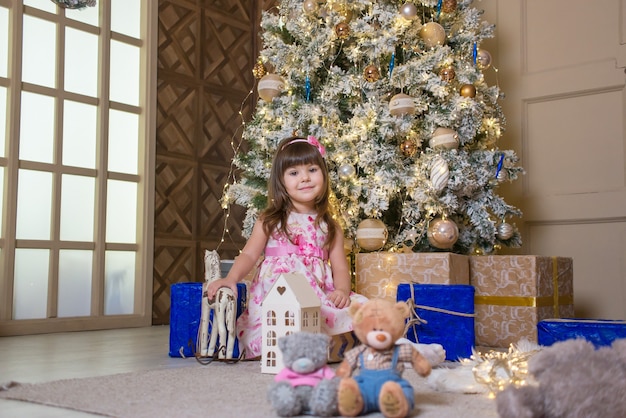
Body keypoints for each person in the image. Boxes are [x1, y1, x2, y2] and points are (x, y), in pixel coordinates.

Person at [206, 135, 368, 359]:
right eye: (294, 173)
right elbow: (250, 254)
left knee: (362, 307)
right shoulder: (271, 220)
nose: (305, 178)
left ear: (323, 174)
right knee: (285, 321)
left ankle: (335, 344)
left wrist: (341, 290)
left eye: (312, 170)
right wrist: (231, 278)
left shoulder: (330, 226)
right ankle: (298, 345)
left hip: (319, 294)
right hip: (279, 294)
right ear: (281, 181)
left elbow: (340, 267)